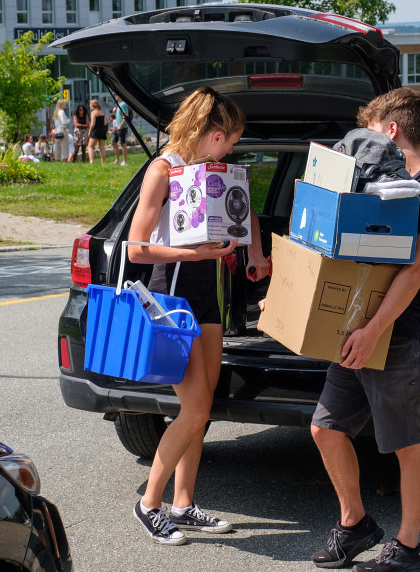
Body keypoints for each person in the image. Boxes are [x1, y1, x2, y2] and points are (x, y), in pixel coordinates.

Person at [309, 87, 420, 572]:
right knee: (324, 428)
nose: (363, 143)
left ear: (392, 130)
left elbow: (414, 273)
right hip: (358, 331)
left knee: (406, 446)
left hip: (396, 335)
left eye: (370, 132)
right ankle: (354, 524)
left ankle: (408, 549)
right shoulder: (379, 187)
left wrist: (373, 330)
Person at [127, 86, 271, 545]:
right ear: (212, 133)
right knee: (191, 411)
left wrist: (255, 252)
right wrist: (192, 255)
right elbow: (136, 245)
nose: (231, 149)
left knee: (202, 409)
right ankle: (149, 504)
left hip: (208, 295)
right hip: (171, 294)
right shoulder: (163, 169)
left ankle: (184, 504)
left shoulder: (212, 172)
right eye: (229, 141)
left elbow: (244, 216)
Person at [88, 99, 109, 164]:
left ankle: (91, 161)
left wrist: (90, 131)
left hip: (95, 131)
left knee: (90, 146)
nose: (89, 106)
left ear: (93, 105)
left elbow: (92, 124)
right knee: (102, 148)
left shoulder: (94, 112)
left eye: (90, 104)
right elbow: (105, 122)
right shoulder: (102, 112)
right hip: (102, 130)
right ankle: (103, 162)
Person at [113, 98, 131, 166]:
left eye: (116, 95)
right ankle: (117, 160)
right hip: (117, 127)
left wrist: (121, 125)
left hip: (122, 127)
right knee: (113, 142)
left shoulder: (123, 104)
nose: (115, 96)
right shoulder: (119, 104)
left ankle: (125, 161)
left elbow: (126, 115)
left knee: (122, 143)